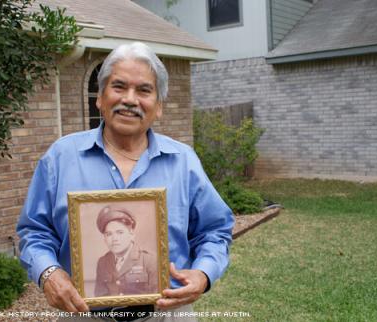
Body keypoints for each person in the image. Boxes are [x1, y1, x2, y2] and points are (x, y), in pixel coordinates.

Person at [16, 41, 234, 320]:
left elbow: (215, 230)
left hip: (167, 315)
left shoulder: (184, 161)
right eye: (119, 87)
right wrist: (48, 273)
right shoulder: (60, 157)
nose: (130, 99)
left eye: (144, 90)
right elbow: (34, 231)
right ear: (100, 97)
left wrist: (203, 273)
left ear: (158, 106)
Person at [94, 206, 157, 297]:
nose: (114, 239)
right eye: (109, 234)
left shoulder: (150, 260)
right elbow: (100, 298)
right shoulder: (102, 262)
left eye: (120, 232)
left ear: (131, 234)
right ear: (105, 239)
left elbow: (159, 300)